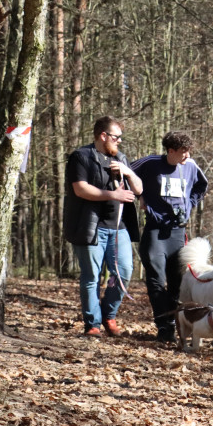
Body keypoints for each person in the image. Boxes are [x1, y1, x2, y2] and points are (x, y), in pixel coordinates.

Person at [63, 116, 143, 337]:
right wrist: (112, 194)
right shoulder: (82, 157)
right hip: (91, 227)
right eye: (116, 137)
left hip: (120, 228)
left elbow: (138, 189)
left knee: (124, 272)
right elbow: (80, 189)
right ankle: (93, 324)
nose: (118, 141)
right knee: (91, 276)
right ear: (103, 136)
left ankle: (109, 314)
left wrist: (129, 172)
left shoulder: (121, 158)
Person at [131, 131, 209, 343]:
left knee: (175, 283)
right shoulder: (151, 163)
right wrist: (140, 195)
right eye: (183, 152)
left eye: (189, 151)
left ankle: (173, 323)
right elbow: (126, 172)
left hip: (178, 231)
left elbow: (202, 186)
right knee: (156, 280)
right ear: (170, 151)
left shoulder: (191, 166)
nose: (187, 156)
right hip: (155, 231)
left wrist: (190, 204)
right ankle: (163, 326)